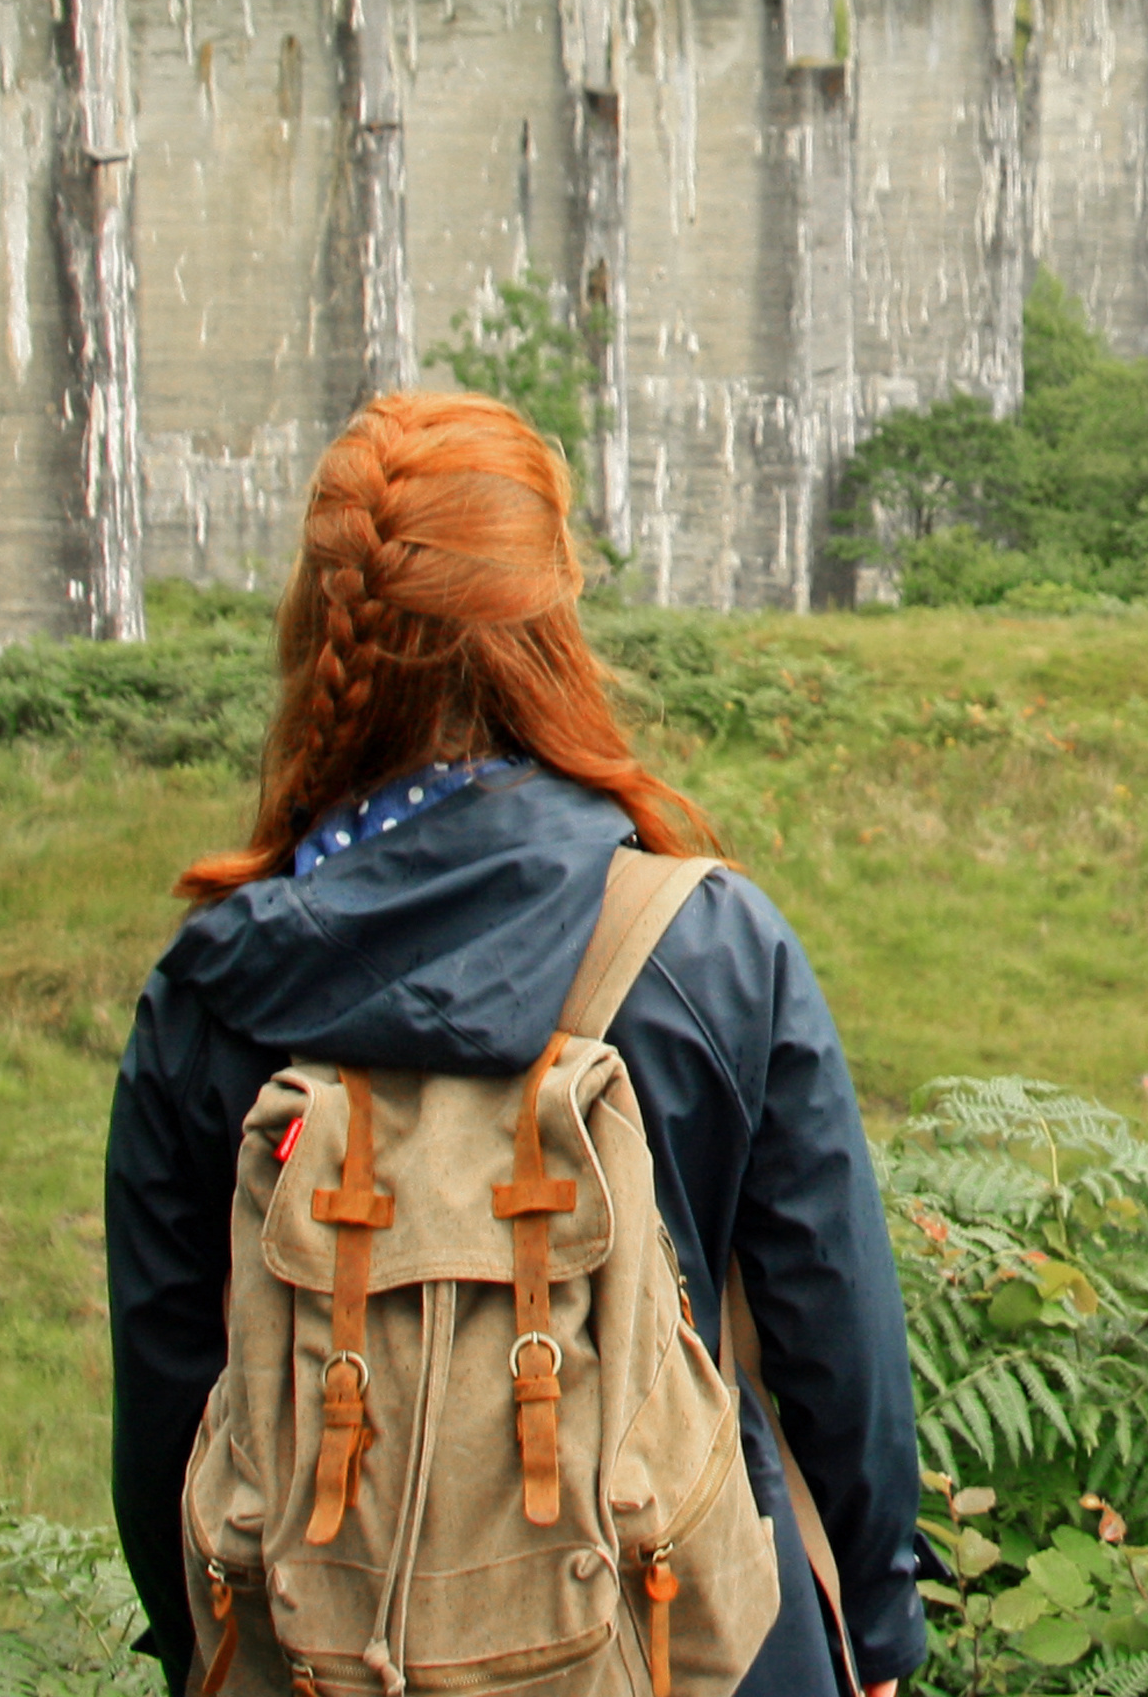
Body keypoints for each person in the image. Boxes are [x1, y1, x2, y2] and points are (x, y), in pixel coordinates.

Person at [105, 389, 922, 1697]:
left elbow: (171, 1414)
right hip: (689, 1642)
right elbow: (837, 1347)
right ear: (549, 622)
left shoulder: (213, 994)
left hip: (326, 1661)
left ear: (323, 631)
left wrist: (200, 1645)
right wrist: (876, 1628)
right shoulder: (704, 946)